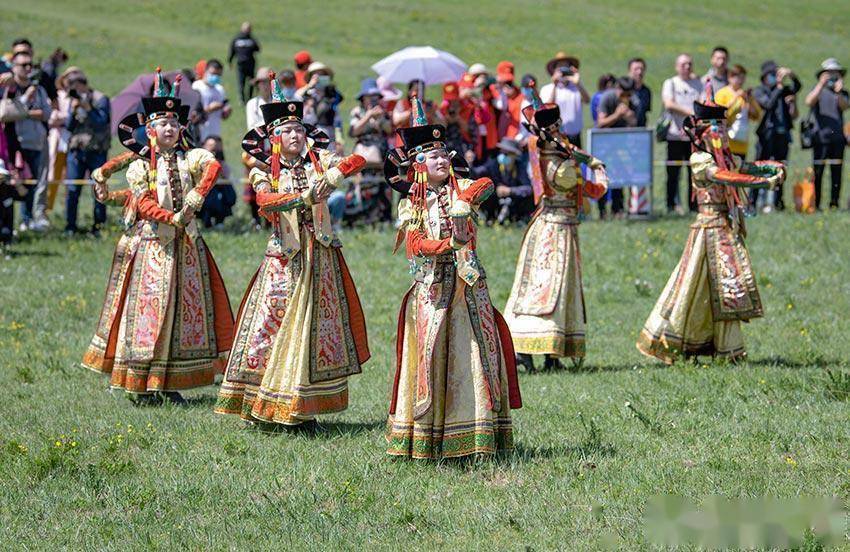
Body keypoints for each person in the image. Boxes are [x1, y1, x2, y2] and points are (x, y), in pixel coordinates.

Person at [215, 75, 369, 429]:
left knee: (313, 327)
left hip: (321, 256)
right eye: (288, 132)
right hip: (284, 258)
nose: (296, 136)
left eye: (300, 129)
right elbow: (265, 203)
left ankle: (303, 405)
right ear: (274, 139)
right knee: (272, 323)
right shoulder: (261, 171)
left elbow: (356, 160)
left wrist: (333, 176)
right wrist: (302, 198)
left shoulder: (318, 160)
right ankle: (260, 399)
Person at [83, 69, 234, 404]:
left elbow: (212, 166)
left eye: (173, 123)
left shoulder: (187, 157)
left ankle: (168, 381)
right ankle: (139, 381)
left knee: (180, 314)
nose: (169, 128)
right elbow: (146, 204)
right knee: (149, 314)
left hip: (186, 249)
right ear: (149, 130)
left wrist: (196, 197)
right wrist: (174, 217)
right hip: (154, 248)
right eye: (161, 124)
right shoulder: (139, 167)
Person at [384, 97, 521, 459]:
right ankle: (430, 439)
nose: (442, 160)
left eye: (445, 153)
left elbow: (488, 184)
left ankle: (478, 437)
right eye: (433, 157)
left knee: (475, 354)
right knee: (431, 357)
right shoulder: (411, 204)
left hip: (469, 288)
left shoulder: (461, 188)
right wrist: (449, 243)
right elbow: (415, 244)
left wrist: (466, 199)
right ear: (418, 166)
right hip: (432, 289)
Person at [637, 96, 785, 365]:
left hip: (726, 227)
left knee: (728, 288)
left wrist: (772, 167)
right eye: (716, 129)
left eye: (722, 128)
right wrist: (760, 183)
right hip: (707, 229)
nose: (721, 136)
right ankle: (680, 343)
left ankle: (729, 348)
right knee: (694, 288)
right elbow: (723, 176)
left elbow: (746, 166)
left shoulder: (726, 158)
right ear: (704, 133)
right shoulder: (700, 159)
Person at [504, 102, 609, 372]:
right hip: (555, 230)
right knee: (548, 290)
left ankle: (551, 354)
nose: (561, 134)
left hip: (555, 227)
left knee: (556, 289)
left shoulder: (554, 152)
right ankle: (528, 348)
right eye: (556, 129)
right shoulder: (560, 166)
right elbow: (593, 190)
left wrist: (589, 159)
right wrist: (600, 174)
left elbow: (572, 150)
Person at [80, 150, 143, 380]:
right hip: (135, 245)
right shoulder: (141, 163)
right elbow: (124, 194)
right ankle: (125, 364)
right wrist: (101, 178)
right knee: (125, 304)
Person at [2, 50, 52, 232]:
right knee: (13, 186)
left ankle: (28, 219)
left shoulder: (39, 89)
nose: (28, 68)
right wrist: (26, 103)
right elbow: (6, 114)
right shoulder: (9, 90)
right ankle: (10, 224)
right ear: (14, 68)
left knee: (33, 184)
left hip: (37, 142)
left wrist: (24, 113)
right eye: (24, 65)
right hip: (16, 145)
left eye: (30, 65)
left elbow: (47, 113)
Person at [63, 68, 112, 236]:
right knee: (72, 190)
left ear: (83, 85)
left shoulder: (100, 99)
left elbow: (102, 122)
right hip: (77, 152)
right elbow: (68, 126)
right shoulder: (73, 101)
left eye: (75, 87)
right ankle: (70, 226)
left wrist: (88, 108)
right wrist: (74, 110)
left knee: (98, 189)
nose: (73, 92)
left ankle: (98, 226)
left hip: (97, 151)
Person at [753, 60, 800, 211]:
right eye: (772, 74)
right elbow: (767, 104)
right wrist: (779, 88)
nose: (775, 77)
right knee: (760, 168)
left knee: (781, 168)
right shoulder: (759, 91)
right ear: (765, 77)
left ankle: (778, 203)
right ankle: (753, 202)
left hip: (782, 134)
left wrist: (791, 75)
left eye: (776, 74)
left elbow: (797, 87)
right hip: (766, 136)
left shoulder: (783, 90)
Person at [804, 58, 848, 210]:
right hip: (819, 138)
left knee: (836, 172)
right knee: (818, 172)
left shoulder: (843, 92)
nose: (832, 76)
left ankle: (834, 203)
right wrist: (821, 85)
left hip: (837, 139)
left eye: (835, 73)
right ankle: (816, 204)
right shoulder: (817, 90)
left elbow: (844, 106)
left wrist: (839, 91)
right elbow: (809, 101)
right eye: (829, 73)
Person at [661, 54, 702, 213]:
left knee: (694, 173)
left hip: (693, 137)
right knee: (673, 173)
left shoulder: (697, 83)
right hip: (674, 135)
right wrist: (691, 113)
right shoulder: (671, 83)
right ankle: (671, 205)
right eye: (683, 64)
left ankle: (693, 205)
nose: (687, 67)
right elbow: (669, 103)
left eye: (690, 63)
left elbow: (703, 103)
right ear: (677, 66)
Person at [596, 76, 636, 218]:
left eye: (628, 94)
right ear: (617, 89)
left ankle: (617, 209)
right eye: (623, 94)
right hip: (604, 144)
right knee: (603, 177)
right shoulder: (607, 98)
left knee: (620, 175)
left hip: (621, 143)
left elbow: (635, 122)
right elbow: (600, 123)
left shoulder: (632, 99)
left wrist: (629, 117)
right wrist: (617, 115)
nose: (626, 97)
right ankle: (602, 210)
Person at [540, 52, 589, 146]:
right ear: (554, 70)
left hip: (575, 136)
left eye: (565, 67)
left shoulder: (576, 88)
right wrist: (555, 84)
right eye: (560, 68)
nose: (563, 72)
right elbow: (548, 108)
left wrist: (577, 82)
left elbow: (587, 100)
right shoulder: (547, 89)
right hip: (556, 137)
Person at [715, 65, 761, 158]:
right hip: (725, 144)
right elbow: (721, 115)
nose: (741, 81)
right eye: (738, 78)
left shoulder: (745, 95)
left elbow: (757, 116)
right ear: (730, 77)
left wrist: (749, 100)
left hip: (741, 145)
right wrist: (736, 97)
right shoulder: (721, 94)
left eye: (743, 78)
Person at [298, 61, 344, 153]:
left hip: (329, 137)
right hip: (310, 137)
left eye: (322, 75)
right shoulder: (306, 94)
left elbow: (337, 119)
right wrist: (310, 85)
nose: (319, 78)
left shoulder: (332, 95)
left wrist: (339, 139)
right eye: (316, 76)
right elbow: (295, 99)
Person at [198, 135, 236, 228]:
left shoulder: (221, 162)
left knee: (229, 195)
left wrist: (220, 165)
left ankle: (220, 221)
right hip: (205, 187)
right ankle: (206, 221)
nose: (215, 151)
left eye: (217, 148)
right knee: (210, 200)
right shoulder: (198, 159)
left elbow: (226, 175)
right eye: (212, 147)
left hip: (220, 186)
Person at [192, 59, 231, 141]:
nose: (216, 77)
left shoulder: (220, 89)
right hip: (200, 133)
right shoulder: (196, 87)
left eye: (218, 75)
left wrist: (226, 112)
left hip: (215, 132)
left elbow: (223, 114)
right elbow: (192, 114)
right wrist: (209, 109)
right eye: (213, 74)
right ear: (206, 71)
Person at [228, 21, 260, 104]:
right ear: (242, 28)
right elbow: (232, 50)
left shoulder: (252, 39)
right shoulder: (237, 38)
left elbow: (258, 49)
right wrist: (230, 61)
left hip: (250, 64)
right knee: (241, 82)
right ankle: (242, 99)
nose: (247, 30)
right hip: (240, 64)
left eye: (249, 29)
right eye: (246, 28)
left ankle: (249, 98)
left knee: (251, 82)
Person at [628, 57, 652, 127]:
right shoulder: (623, 90)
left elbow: (645, 113)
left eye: (642, 69)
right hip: (625, 131)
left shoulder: (646, 91)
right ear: (629, 71)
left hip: (641, 130)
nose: (639, 72)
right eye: (636, 69)